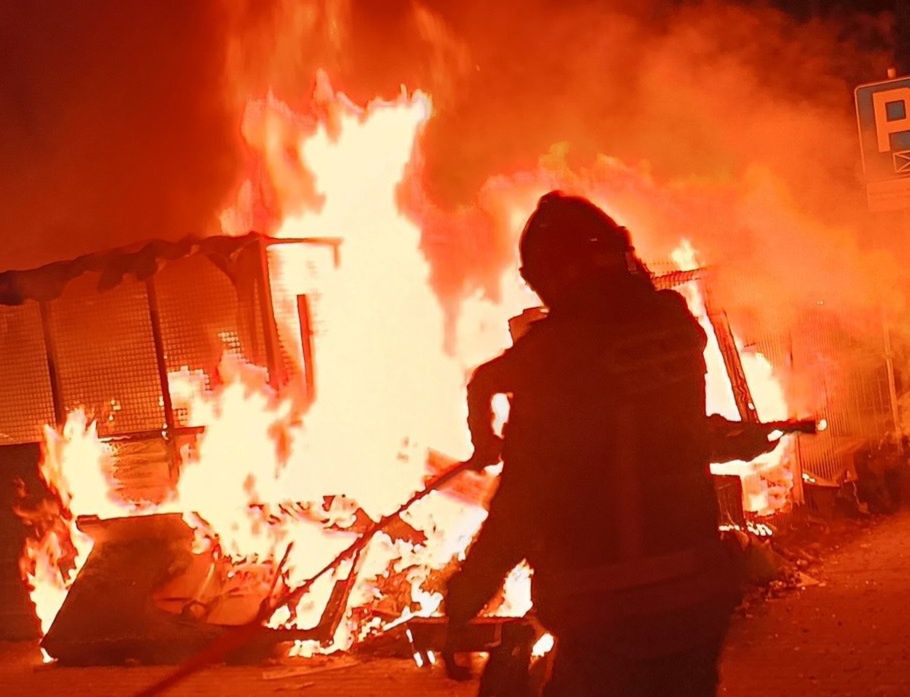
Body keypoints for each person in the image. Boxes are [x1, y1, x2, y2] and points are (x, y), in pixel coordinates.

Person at [444, 191, 772, 697]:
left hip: (600, 614)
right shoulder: (672, 333)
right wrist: (731, 439)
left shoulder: (550, 361)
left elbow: (520, 504)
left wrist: (463, 602)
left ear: (553, 275)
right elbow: (660, 439)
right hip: (693, 602)